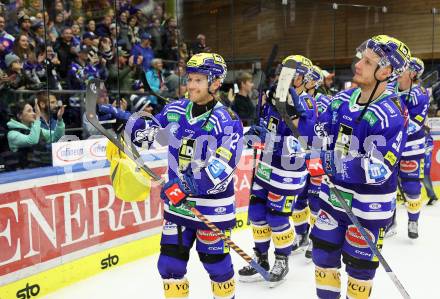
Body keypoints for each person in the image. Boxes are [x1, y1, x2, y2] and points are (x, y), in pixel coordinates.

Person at [286, 35, 411, 298]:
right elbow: (320, 134)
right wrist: (296, 118)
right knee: (322, 255)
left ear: (385, 71)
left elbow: (380, 169)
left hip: (368, 208)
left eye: (367, 61)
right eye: (361, 57)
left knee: (359, 268)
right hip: (333, 199)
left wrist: (334, 162)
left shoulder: (390, 115)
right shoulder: (343, 99)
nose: (358, 64)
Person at [127, 52, 243, 299]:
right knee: (170, 265)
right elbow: (151, 134)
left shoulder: (228, 120)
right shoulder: (176, 108)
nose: (191, 85)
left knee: (217, 265)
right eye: (190, 78)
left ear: (215, 83)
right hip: (177, 203)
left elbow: (222, 168)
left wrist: (186, 185)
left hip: (212, 206)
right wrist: (128, 125)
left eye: (199, 80)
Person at [238, 55, 316, 286]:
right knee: (256, 213)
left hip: (288, 170)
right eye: (283, 72)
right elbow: (265, 124)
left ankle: (282, 259)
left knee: (276, 215)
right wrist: (256, 132)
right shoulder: (270, 96)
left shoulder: (308, 103)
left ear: (302, 78)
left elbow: (306, 140)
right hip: (265, 164)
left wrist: (294, 113)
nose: (286, 78)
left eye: (292, 74)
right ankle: (261, 258)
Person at [395, 57, 430, 238]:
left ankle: (413, 220)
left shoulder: (420, 93)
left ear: (413, 73)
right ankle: (389, 221)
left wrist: (390, 128)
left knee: (411, 186)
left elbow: (415, 125)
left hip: (411, 147)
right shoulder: (390, 88)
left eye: (404, 68)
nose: (399, 70)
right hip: (391, 146)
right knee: (385, 185)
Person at [7, 98, 65, 168]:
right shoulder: (12, 134)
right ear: (20, 116)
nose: (34, 114)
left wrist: (59, 119)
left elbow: (57, 136)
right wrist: (38, 118)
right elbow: (32, 141)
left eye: (33, 111)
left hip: (38, 170)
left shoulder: (34, 129)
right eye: (29, 111)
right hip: (21, 174)